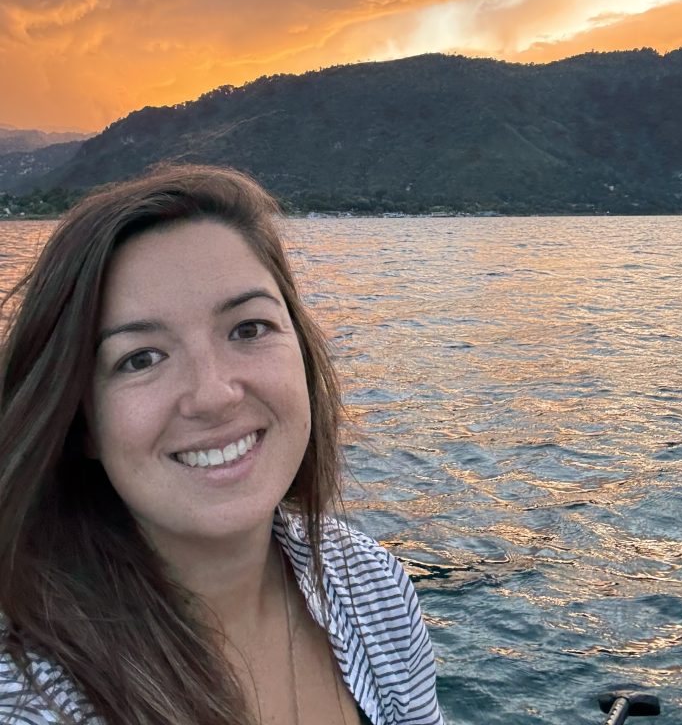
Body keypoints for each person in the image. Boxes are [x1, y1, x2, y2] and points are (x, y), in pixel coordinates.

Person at [0, 165, 444, 725]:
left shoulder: (367, 583)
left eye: (248, 329)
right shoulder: (30, 700)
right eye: (141, 358)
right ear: (81, 420)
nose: (213, 394)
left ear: (302, 352)